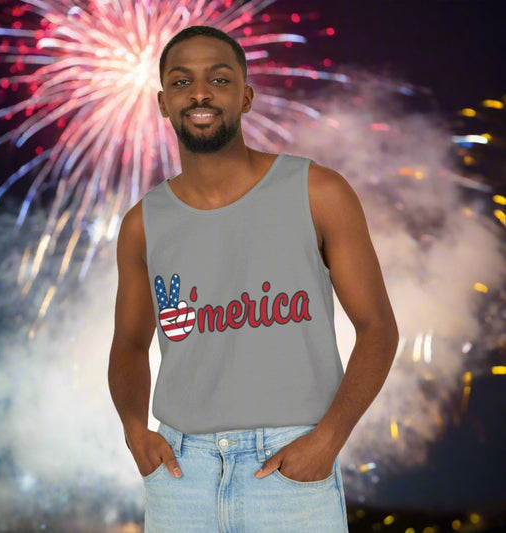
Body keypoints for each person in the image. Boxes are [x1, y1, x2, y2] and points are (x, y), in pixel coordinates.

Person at [108, 25, 399, 532]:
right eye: (181, 82)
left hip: (290, 470)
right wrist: (136, 430)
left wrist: (328, 440)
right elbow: (129, 345)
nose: (199, 93)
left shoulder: (317, 190)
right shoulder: (142, 223)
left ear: (245, 96)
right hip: (182, 474)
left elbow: (378, 328)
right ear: (162, 102)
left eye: (218, 80)